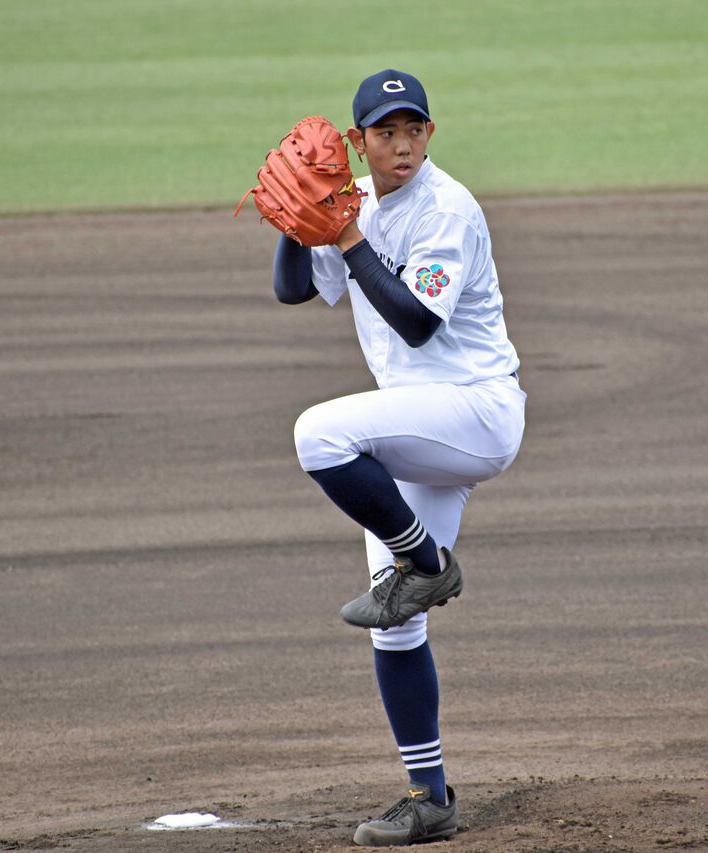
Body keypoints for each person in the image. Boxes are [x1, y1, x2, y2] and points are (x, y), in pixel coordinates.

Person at [271, 69, 525, 847]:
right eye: (386, 132)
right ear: (360, 141)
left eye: (414, 128)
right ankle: (430, 797)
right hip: (416, 427)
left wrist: (345, 236)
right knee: (395, 625)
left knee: (318, 434)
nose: (402, 143)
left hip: (475, 411)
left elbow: (416, 322)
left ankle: (424, 562)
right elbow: (292, 290)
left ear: (430, 134)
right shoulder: (352, 200)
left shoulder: (447, 207)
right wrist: (296, 217)